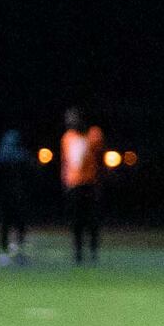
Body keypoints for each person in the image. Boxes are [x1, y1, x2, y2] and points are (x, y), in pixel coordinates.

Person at [59, 109, 105, 263]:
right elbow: (65, 162)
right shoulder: (67, 137)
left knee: (92, 220)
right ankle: (78, 253)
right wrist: (65, 182)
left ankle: (93, 252)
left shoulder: (94, 134)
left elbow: (99, 159)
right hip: (74, 185)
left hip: (90, 184)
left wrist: (99, 182)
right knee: (76, 221)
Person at [0, 128, 34, 263]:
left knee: (7, 225)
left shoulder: (0, 157)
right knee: (17, 225)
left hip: (5, 197)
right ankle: (16, 252)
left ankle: (6, 253)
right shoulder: (20, 156)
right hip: (14, 196)